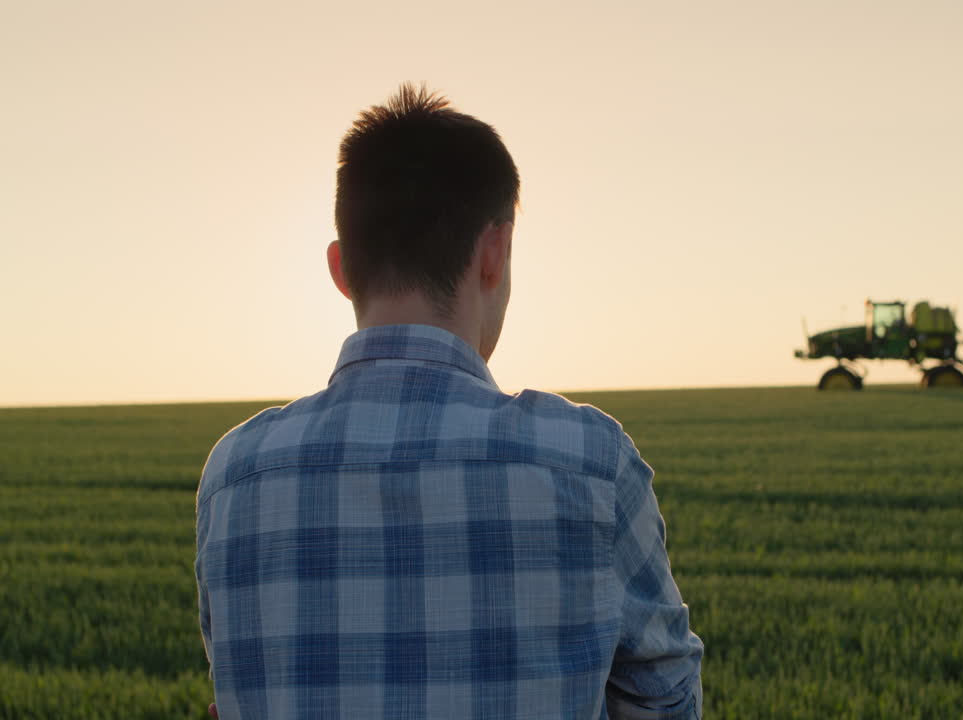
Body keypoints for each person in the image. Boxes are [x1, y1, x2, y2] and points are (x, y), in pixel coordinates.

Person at [195, 84, 703, 719]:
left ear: (341, 268)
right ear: (494, 253)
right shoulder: (591, 465)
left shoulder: (234, 476)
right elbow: (666, 700)